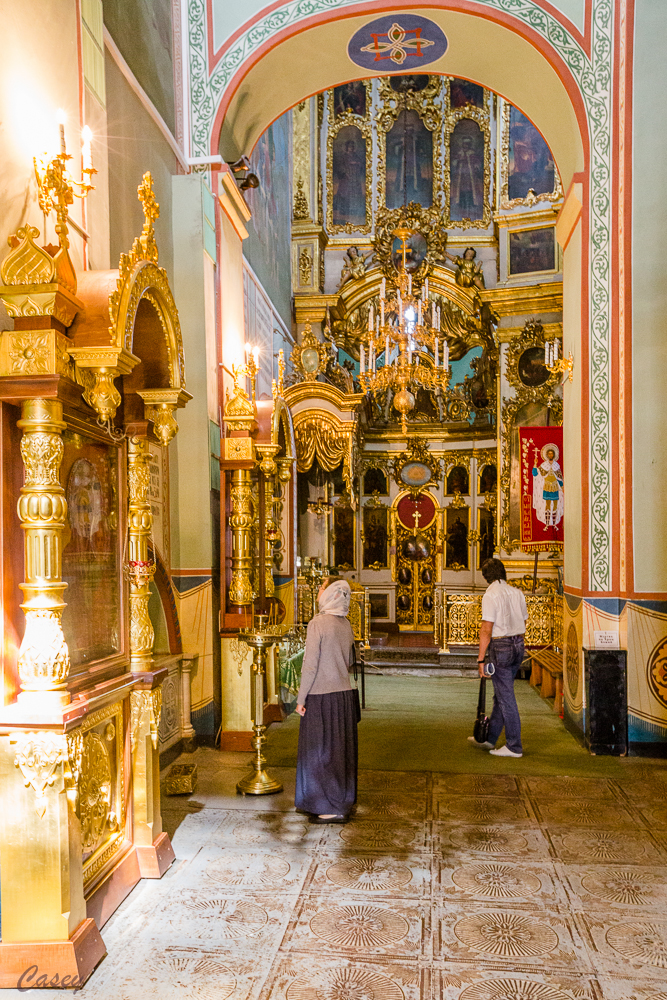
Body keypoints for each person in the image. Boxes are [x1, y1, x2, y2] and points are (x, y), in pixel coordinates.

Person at [295, 578, 359, 822]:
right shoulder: (346, 625)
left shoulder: (317, 624)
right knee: (338, 752)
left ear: (329, 594)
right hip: (342, 697)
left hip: (320, 697)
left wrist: (301, 699)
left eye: (322, 588)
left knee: (319, 753)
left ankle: (326, 805)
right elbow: (349, 661)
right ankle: (341, 800)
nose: (319, 592)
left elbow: (309, 666)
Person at [468, 557, 528, 758]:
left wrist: (481, 659)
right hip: (518, 644)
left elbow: (486, 629)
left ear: (486, 577)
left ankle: (514, 746)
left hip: (500, 646)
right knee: (502, 694)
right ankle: (490, 737)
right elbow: (524, 620)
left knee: (506, 697)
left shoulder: (490, 595)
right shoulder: (517, 593)